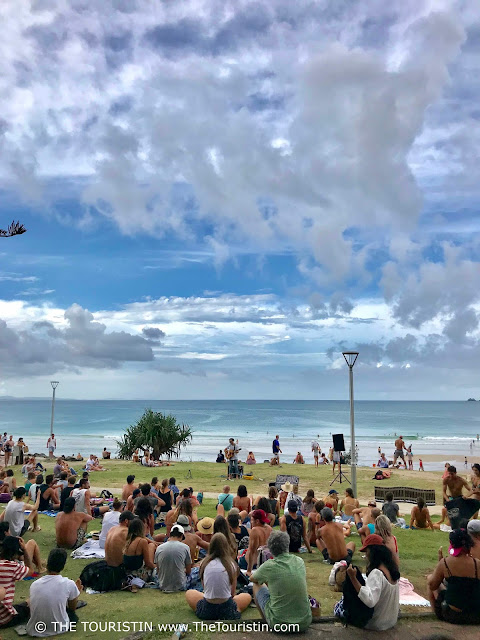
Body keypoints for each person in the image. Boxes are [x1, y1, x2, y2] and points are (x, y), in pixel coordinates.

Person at [251, 530, 312, 632]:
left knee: (256, 585)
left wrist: (266, 580)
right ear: (287, 544)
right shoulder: (299, 561)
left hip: (279, 623)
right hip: (304, 623)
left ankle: (266, 620)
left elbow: (253, 578)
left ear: (270, 548)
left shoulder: (269, 565)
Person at [336, 534, 400, 630]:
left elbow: (370, 601)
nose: (365, 556)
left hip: (376, 623)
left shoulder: (377, 573)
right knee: (356, 573)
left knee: (352, 576)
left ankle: (345, 611)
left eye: (367, 552)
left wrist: (353, 578)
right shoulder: (392, 569)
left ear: (373, 552)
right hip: (390, 621)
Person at [186, 532, 251, 620]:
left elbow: (205, 588)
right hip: (227, 608)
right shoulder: (232, 565)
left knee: (190, 593)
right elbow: (232, 594)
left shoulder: (204, 564)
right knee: (247, 596)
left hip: (207, 608)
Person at [427, 528, 480, 624]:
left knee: (430, 578)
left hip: (453, 615)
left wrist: (439, 565)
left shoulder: (446, 562)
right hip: (475, 616)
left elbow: (433, 585)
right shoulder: (477, 563)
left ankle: (435, 613)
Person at [26, 548, 82, 637]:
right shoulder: (69, 583)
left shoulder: (35, 584)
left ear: (48, 564)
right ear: (63, 566)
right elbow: (72, 608)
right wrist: (76, 594)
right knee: (73, 616)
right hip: (59, 628)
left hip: (33, 629)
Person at [0, 536, 34, 628]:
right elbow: (31, 571)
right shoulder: (11, 566)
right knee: (31, 601)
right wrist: (25, 550)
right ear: (14, 553)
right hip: (4, 618)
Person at [154, 524, 192, 591]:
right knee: (197, 571)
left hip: (162, 584)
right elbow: (189, 571)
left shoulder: (159, 548)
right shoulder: (185, 547)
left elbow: (158, 569)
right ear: (181, 536)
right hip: (181, 585)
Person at [123, 518, 156, 582]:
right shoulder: (142, 541)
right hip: (138, 575)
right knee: (151, 546)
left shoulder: (128, 540)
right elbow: (148, 563)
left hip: (127, 574)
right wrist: (156, 567)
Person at [245, 510, 273, 576]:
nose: (251, 522)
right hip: (266, 561)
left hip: (254, 563)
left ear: (257, 521)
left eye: (252, 520)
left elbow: (252, 551)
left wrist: (249, 570)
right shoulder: (269, 528)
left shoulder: (255, 530)